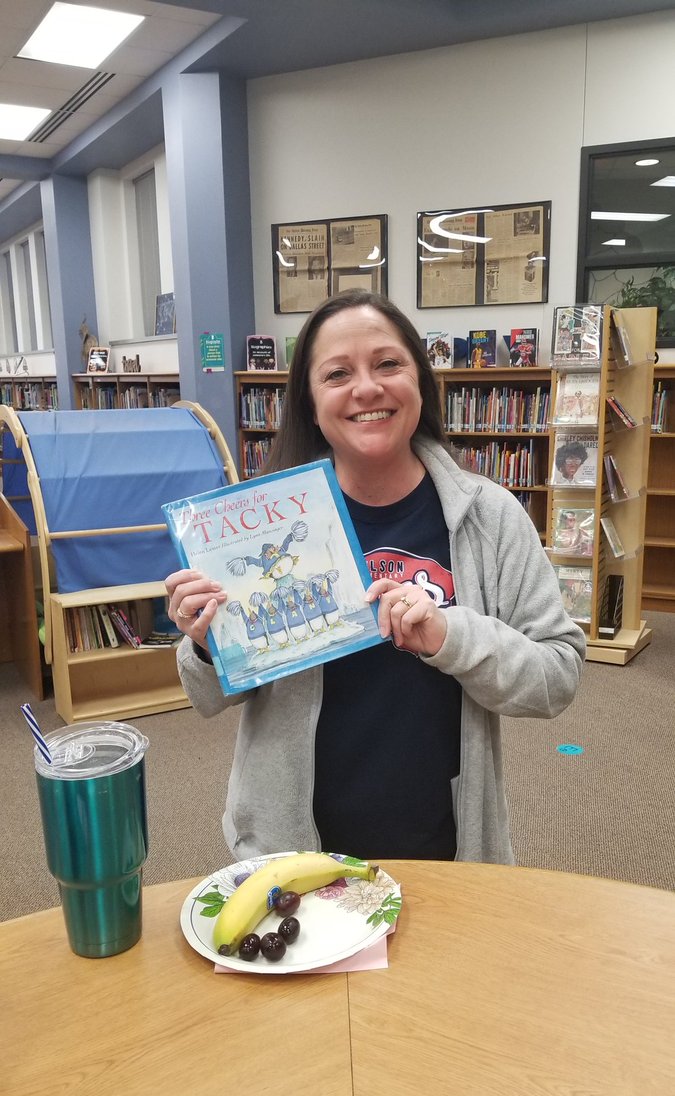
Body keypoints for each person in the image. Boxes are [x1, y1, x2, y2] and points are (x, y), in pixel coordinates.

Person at [166, 289, 585, 865]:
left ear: (420, 381)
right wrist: (206, 643)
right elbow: (208, 698)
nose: (367, 388)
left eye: (388, 364)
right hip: (294, 849)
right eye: (337, 373)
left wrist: (450, 637)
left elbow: (557, 675)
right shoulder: (262, 528)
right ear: (310, 404)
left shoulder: (489, 516)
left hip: (445, 844)